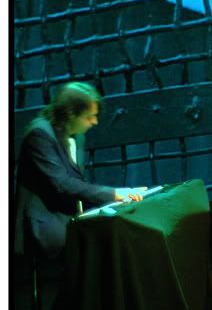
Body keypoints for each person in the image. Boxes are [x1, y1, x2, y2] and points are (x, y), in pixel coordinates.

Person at [14, 82, 146, 261]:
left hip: (65, 218)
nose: (95, 122)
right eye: (89, 117)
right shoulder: (39, 135)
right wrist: (114, 194)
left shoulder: (75, 136)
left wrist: (116, 201)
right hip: (43, 226)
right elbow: (63, 184)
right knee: (105, 244)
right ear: (70, 113)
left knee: (119, 232)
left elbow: (76, 185)